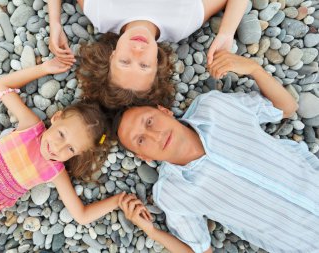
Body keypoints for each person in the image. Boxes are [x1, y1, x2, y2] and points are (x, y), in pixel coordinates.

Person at [115, 51, 319, 253]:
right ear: (144, 157)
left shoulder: (215, 107)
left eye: (149, 121)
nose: (155, 136)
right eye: (140, 140)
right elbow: (202, 251)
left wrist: (253, 69)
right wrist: (151, 231)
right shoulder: (172, 193)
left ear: (164, 110)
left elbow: (286, 107)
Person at [0, 58, 127, 240]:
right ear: (56, 117)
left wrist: (118, 201)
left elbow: (81, 215)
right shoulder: (31, 128)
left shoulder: (55, 171)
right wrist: (44, 68)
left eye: (70, 149)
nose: (57, 147)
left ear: (78, 154)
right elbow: (1, 85)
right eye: (61, 134)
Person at [48, 0, 248, 108]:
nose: (137, 51)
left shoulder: (101, 13)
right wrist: (226, 32)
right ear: (157, 64)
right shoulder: (182, 23)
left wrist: (55, 22)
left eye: (125, 61)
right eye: (144, 65)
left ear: (112, 55)